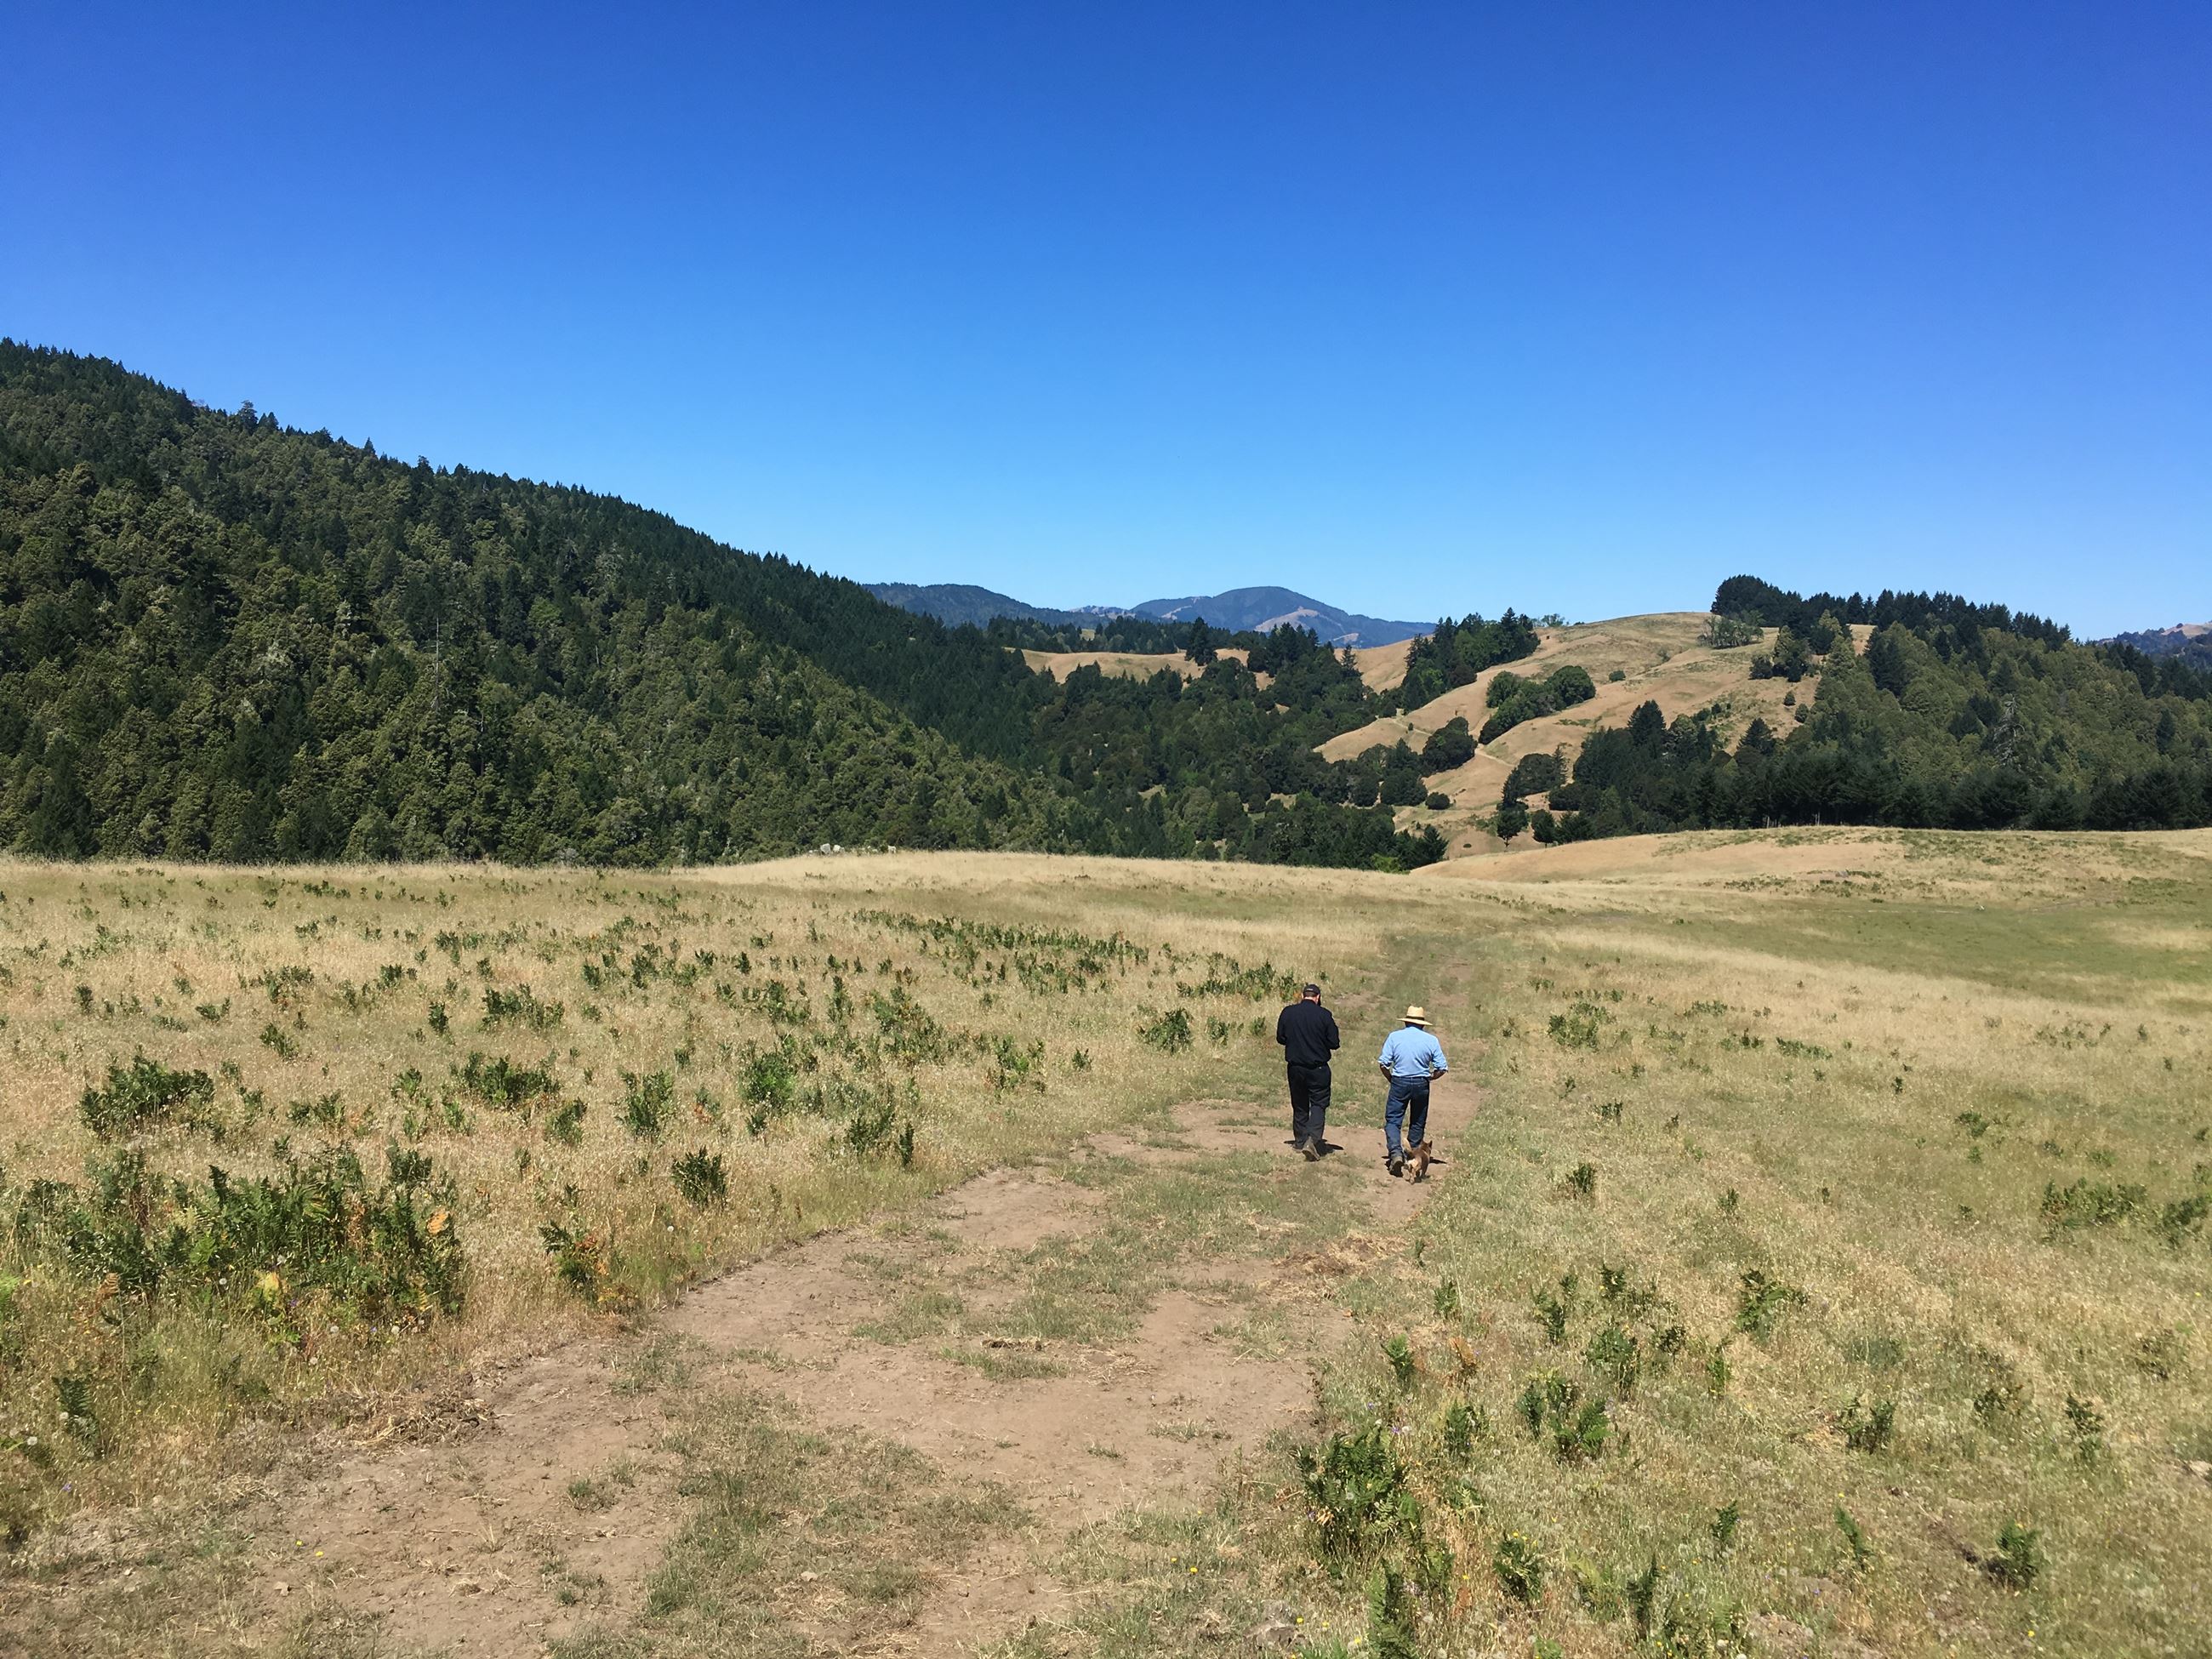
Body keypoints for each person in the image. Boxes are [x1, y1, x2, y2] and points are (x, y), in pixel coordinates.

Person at [1376, 1006, 1447, 1177]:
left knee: (1393, 1119)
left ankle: (1395, 1153)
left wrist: (1391, 1078)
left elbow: (1383, 1063)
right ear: (1422, 1024)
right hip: (1421, 1082)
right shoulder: (1431, 1040)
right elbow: (1442, 1068)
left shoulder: (1394, 1037)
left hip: (1400, 1080)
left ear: (1406, 1022)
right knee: (1418, 1120)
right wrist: (1430, 1078)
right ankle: (1413, 1155)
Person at [1274, 981, 1340, 1160]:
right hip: (1318, 1068)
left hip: (1295, 1066)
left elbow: (1280, 1038)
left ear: (1302, 995)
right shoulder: (1324, 1015)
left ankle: (1300, 1140)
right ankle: (1312, 1138)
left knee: (1299, 1102)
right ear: (1317, 998)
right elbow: (1334, 1043)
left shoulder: (1288, 1012)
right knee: (1319, 1103)